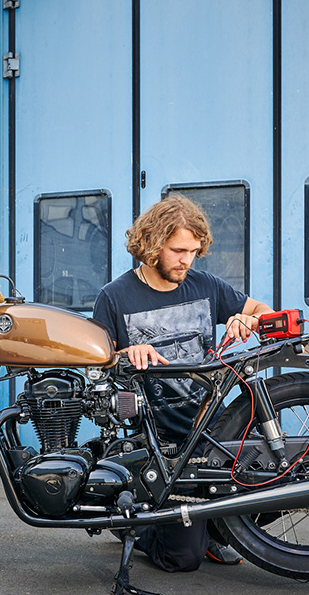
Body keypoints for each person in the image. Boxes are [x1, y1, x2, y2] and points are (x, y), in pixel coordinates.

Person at [93, 195, 273, 572]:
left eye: (193, 251)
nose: (186, 261)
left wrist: (249, 320)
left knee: (277, 479)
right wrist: (127, 354)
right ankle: (135, 526)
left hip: (214, 427)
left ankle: (213, 529)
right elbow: (99, 368)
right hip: (161, 443)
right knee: (183, 559)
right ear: (152, 245)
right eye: (178, 250)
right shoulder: (114, 296)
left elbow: (263, 310)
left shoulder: (206, 285)